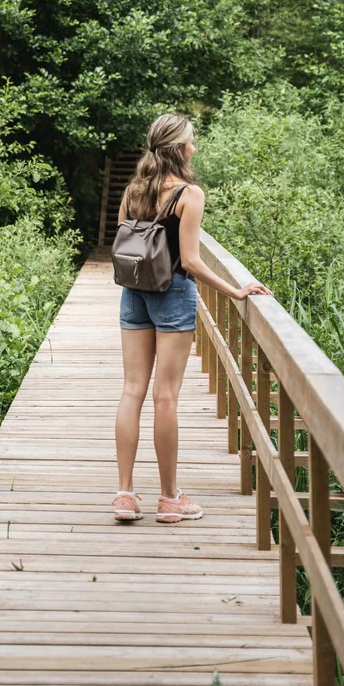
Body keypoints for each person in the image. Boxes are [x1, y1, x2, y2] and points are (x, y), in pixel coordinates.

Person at [111, 113, 271, 525]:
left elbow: (126, 243)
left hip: (133, 294)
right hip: (173, 295)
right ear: (179, 149)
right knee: (166, 397)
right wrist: (236, 290)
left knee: (132, 391)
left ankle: (125, 494)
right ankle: (169, 499)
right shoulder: (188, 194)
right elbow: (193, 262)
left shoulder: (133, 190)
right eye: (191, 142)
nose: (194, 148)